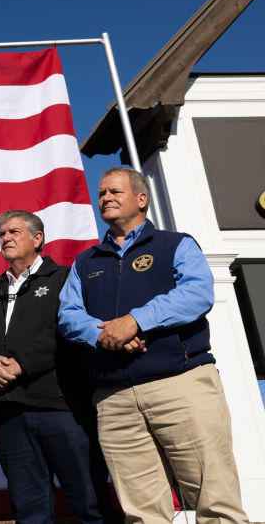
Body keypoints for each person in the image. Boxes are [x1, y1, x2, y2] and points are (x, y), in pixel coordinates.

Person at [58, 168, 249, 522]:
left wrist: (136, 320)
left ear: (141, 199)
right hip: (114, 399)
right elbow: (69, 316)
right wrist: (104, 335)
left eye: (114, 191)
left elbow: (196, 293)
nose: (105, 198)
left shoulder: (175, 244)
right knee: (142, 513)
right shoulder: (85, 263)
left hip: (180, 385)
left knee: (215, 500)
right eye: (101, 194)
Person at [0, 210, 120, 524]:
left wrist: (21, 364)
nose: (6, 238)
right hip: (10, 413)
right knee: (30, 512)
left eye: (14, 232)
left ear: (37, 239)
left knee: (91, 504)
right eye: (2, 234)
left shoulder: (65, 278)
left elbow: (65, 331)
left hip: (63, 409)